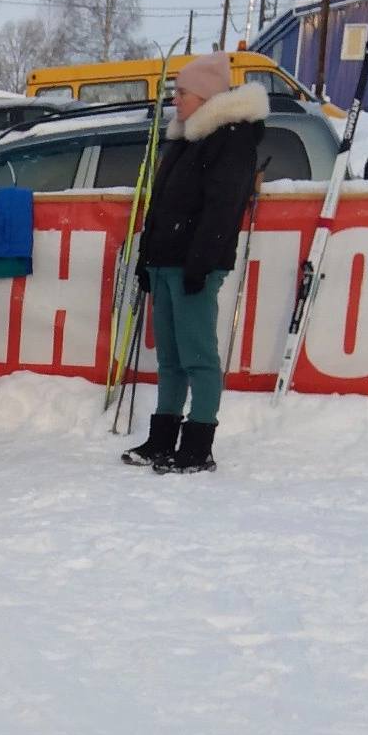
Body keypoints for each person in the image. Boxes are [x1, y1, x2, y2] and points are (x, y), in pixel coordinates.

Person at [123, 54, 267, 474]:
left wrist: (200, 264)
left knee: (198, 356)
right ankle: (163, 438)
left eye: (182, 93)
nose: (175, 100)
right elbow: (160, 206)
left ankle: (198, 444)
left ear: (205, 95)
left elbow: (222, 210)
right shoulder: (185, 138)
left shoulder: (230, 139)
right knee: (169, 357)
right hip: (165, 262)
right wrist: (146, 259)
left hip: (194, 265)